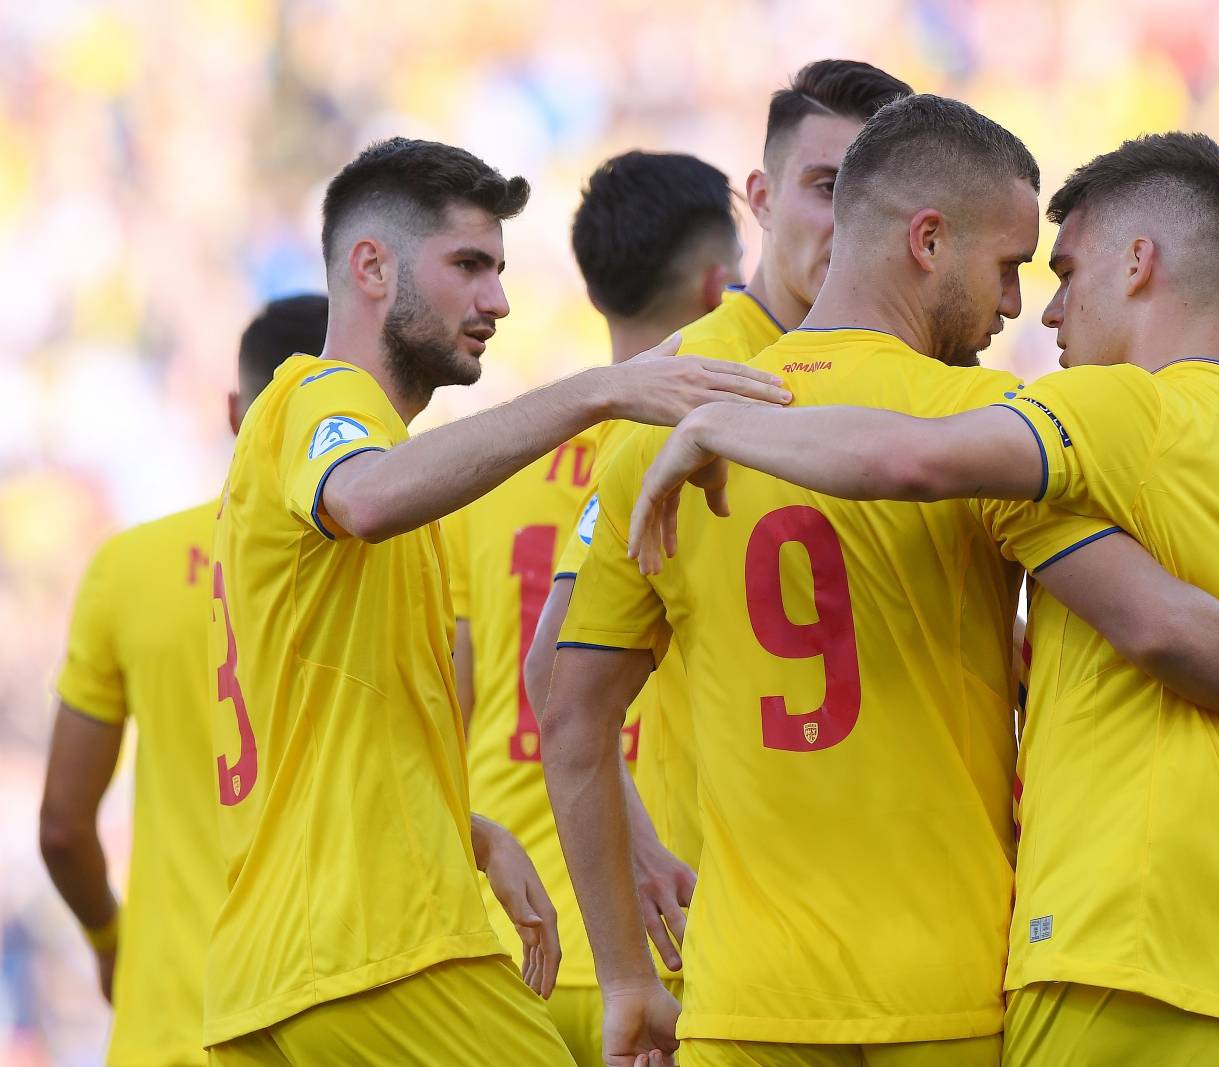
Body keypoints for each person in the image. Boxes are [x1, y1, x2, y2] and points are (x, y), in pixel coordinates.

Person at [543, 97, 1219, 1067]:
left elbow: (568, 716)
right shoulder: (985, 418)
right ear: (928, 242)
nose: (1020, 306)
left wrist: (628, 977)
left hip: (744, 998)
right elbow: (1147, 612)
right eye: (1011, 267)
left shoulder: (654, 439)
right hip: (952, 994)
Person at [202, 136, 788, 1065]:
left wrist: (474, 834)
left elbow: (313, 738)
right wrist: (604, 391)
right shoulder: (319, 398)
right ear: (371, 267)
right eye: (469, 266)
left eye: (502, 270)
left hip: (271, 978)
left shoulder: (370, 477)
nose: (498, 302)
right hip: (380, 953)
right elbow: (365, 495)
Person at [524, 57, 912, 906]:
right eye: (824, 187)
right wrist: (638, 846)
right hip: (731, 916)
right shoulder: (686, 377)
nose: (849, 224)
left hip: (907, 903)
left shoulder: (927, 375)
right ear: (763, 201)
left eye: (874, 196)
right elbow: (554, 667)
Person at [441, 148, 746, 1067]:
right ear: (718, 284)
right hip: (676, 941)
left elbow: (447, 712)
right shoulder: (726, 453)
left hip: (514, 947)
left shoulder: (486, 469)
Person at [39, 294, 329, 1067]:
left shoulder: (129, 568)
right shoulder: (405, 561)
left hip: (170, 1022)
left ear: (239, 411)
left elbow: (64, 826)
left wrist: (110, 940)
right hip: (329, 1018)